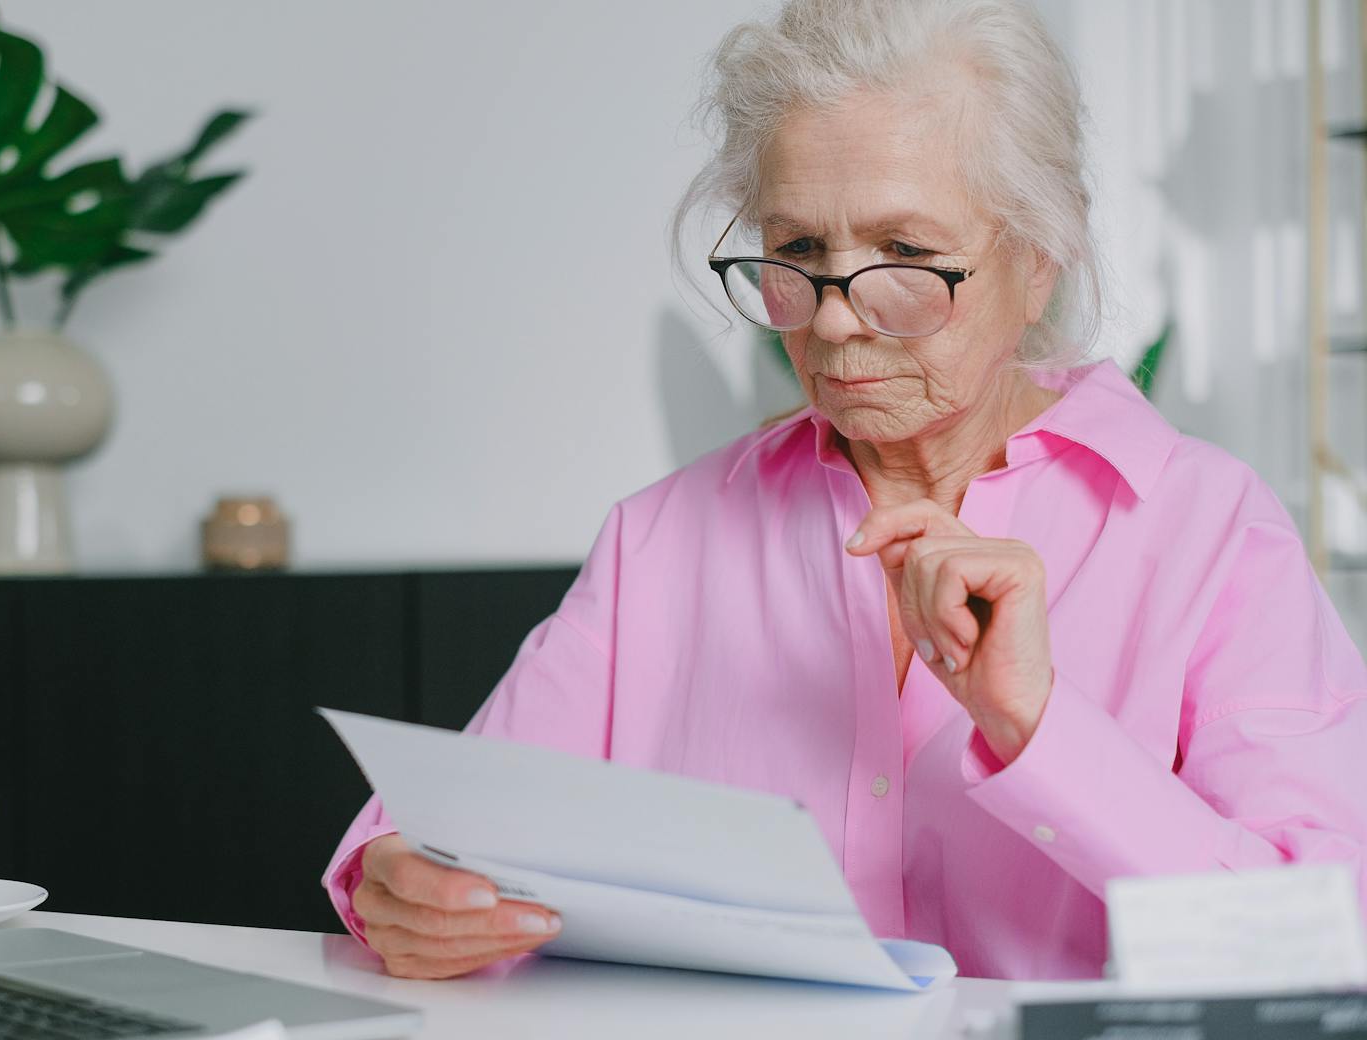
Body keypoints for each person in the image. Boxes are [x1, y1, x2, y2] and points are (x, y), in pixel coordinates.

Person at [322, 0, 1367, 980]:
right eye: (797, 251)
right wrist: (397, 882)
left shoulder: (1209, 531)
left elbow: (1325, 944)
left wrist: (1039, 723)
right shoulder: (666, 537)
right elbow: (441, 834)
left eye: (906, 253)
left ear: (1041, 253)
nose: (829, 321)